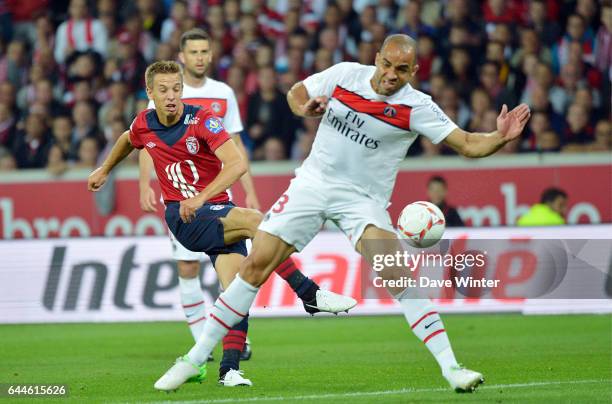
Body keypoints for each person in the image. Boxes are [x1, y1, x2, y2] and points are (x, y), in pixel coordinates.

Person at [154, 34, 531, 393]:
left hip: (363, 200)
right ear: (377, 58)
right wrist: (303, 106)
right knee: (256, 266)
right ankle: (194, 358)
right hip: (313, 184)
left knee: (395, 271)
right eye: (386, 64)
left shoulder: (417, 107)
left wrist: (499, 137)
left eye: (401, 70)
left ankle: (452, 368)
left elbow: (466, 143)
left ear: (412, 72)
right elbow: (296, 91)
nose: (390, 74)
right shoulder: (345, 75)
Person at [87, 60, 356, 387]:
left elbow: (237, 164)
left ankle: (229, 370)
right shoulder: (144, 123)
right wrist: (104, 169)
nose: (171, 96)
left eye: (176, 89)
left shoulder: (201, 120)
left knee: (239, 291)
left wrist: (202, 197)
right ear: (150, 93)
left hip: (214, 209)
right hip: (184, 218)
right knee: (257, 222)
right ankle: (308, 292)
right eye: (163, 90)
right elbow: (128, 139)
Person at [139, 28, 342, 374]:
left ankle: (228, 361)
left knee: (234, 283)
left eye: (206, 50)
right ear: (183, 57)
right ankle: (203, 345)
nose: (201, 57)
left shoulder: (222, 94)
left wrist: (247, 188)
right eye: (194, 52)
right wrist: (146, 183)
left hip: (217, 196)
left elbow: (234, 146)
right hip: (182, 200)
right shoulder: (165, 90)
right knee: (188, 268)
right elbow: (146, 139)